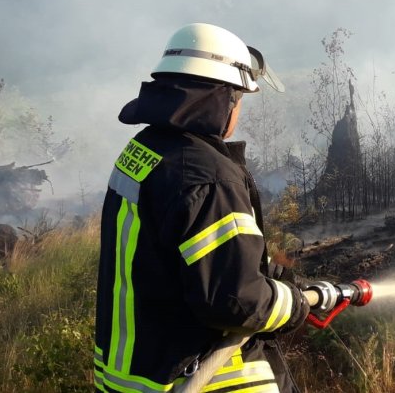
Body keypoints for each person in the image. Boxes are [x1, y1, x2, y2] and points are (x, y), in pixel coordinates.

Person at [94, 23, 307, 393]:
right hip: (200, 380)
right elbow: (235, 302)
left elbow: (173, 251)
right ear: (222, 98)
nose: (238, 110)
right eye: (238, 99)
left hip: (130, 377)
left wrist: (259, 270)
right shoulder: (207, 177)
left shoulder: (144, 150)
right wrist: (294, 303)